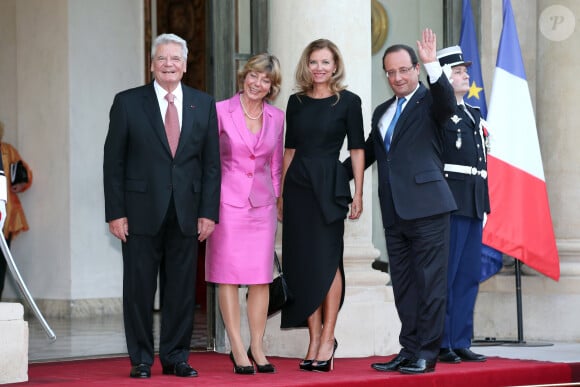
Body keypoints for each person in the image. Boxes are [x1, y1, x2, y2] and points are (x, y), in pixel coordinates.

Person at [103, 33, 220, 379]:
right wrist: (115, 212)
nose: (168, 64)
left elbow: (211, 165)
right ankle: (140, 359)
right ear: (151, 64)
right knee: (139, 289)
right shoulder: (127, 103)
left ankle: (175, 357)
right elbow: (114, 163)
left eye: (175, 59)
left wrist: (208, 212)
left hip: (187, 212)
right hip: (138, 213)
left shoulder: (204, 104)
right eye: (161, 59)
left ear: (185, 65)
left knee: (181, 290)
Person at [344, 29, 457, 374]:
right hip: (394, 212)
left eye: (404, 70)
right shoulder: (381, 111)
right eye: (390, 72)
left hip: (429, 208)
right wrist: (318, 179)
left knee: (430, 283)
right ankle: (409, 349)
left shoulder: (431, 103)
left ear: (415, 69)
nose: (397, 77)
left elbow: (448, 104)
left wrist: (433, 65)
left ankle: (427, 352)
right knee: (405, 285)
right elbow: (367, 155)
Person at [279, 38, 365, 373]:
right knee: (302, 263)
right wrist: (282, 195)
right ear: (307, 65)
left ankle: (329, 337)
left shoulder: (349, 102)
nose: (319, 68)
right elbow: (289, 151)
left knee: (329, 261)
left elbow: (357, 150)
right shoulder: (295, 102)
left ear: (335, 65)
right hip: (298, 187)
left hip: (330, 186)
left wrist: (357, 192)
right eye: (314, 62)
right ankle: (313, 339)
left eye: (325, 62)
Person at [205, 53, 284, 375]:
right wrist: (206, 207)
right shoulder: (221, 111)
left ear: (271, 87)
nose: (257, 84)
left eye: (265, 80)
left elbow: (276, 164)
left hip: (262, 207)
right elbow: (209, 162)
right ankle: (237, 346)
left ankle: (258, 345)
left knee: (261, 278)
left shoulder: (277, 117)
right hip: (227, 203)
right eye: (254, 76)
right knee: (228, 276)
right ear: (244, 76)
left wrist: (279, 200)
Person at [436, 46, 489, 364]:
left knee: (468, 274)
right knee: (447, 274)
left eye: (465, 71)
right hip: (451, 203)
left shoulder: (473, 114)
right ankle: (442, 341)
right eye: (457, 71)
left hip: (473, 202)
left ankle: (461, 338)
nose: (465, 75)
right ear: (443, 77)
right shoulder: (439, 112)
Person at [0, 120, 33, 300]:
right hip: (6, 211)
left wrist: (20, 185)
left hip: (6, 212)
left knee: (2, 259)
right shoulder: (7, 150)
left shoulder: (7, 150)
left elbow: (24, 173)